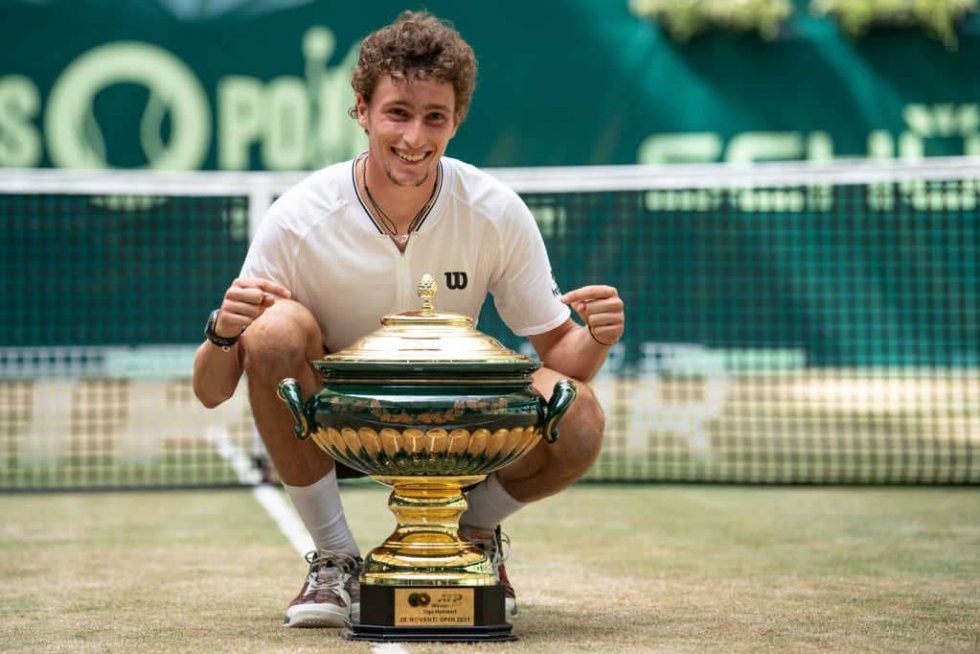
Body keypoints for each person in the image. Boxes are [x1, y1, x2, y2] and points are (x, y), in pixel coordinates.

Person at [192, 10, 624, 629]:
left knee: (578, 415)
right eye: (398, 112)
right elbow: (211, 392)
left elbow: (559, 355)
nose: (415, 137)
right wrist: (224, 332)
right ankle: (335, 559)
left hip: (457, 430)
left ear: (456, 120)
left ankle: (470, 538)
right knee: (276, 328)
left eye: (435, 117)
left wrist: (597, 337)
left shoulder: (495, 211)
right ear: (362, 110)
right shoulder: (298, 216)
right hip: (331, 430)